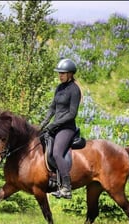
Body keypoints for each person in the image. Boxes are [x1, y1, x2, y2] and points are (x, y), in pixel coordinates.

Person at [40, 58, 82, 199]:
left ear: (70, 74)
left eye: (63, 73)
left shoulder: (74, 90)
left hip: (67, 128)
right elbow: (52, 108)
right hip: (55, 126)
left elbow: (72, 114)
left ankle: (66, 187)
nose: (60, 76)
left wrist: (54, 124)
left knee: (57, 152)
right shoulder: (59, 88)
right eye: (59, 73)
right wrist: (42, 125)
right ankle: (51, 181)